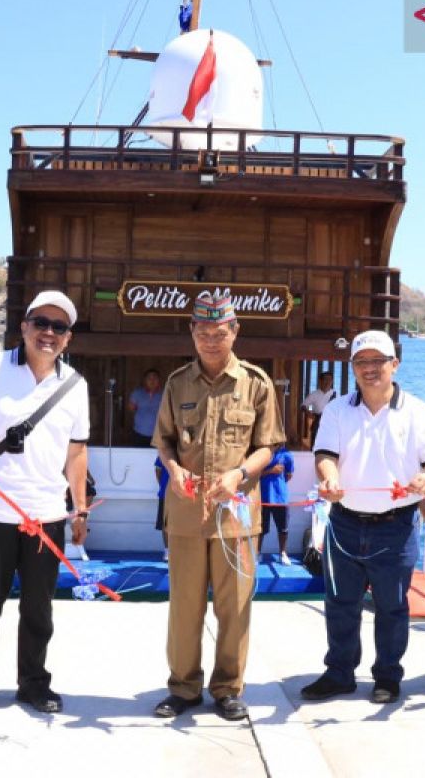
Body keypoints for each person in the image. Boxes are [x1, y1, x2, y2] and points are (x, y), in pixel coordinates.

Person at [0, 290, 90, 715]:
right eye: (41, 323)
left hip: (45, 512)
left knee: (39, 607)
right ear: (24, 326)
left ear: (68, 338)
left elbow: (77, 451)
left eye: (59, 327)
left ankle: (33, 683)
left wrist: (79, 507)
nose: (49, 332)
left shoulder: (75, 385)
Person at [151, 291, 284, 721]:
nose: (211, 339)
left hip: (238, 516)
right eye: (203, 332)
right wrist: (173, 470)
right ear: (192, 332)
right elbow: (164, 442)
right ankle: (183, 687)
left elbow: (269, 447)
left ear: (235, 332)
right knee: (184, 606)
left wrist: (241, 475)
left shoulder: (257, 384)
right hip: (187, 514)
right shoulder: (177, 384)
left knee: (235, 608)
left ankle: (228, 688)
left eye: (220, 332)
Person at [301, 330, 425, 704]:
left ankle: (387, 677)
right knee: (339, 604)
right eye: (361, 362)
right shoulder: (336, 410)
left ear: (394, 365)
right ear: (352, 368)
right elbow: (325, 455)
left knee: (393, 608)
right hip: (344, 522)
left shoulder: (419, 412)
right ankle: (339, 673)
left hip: (396, 527)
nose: (369, 369)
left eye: (377, 361)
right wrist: (329, 477)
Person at [258, 445, 295, 565]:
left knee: (283, 528)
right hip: (263, 496)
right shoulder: (262, 453)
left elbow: (289, 475)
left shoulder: (287, 454)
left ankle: (283, 553)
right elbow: (254, 474)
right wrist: (270, 471)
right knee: (260, 528)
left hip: (280, 496)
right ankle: (257, 553)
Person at [129, 368, 164, 447]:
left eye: (155, 378)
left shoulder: (165, 394)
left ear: (159, 380)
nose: (152, 381)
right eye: (149, 378)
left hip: (158, 435)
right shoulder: (137, 393)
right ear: (145, 380)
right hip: (139, 433)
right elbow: (131, 408)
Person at [301, 371, 336, 446]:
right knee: (315, 443)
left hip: (332, 421)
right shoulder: (314, 394)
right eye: (325, 379)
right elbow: (304, 406)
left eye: (330, 380)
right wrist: (309, 412)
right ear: (320, 381)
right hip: (318, 420)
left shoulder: (335, 394)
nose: (327, 382)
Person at [154, 455, 170, 560]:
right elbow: (158, 470)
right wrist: (163, 486)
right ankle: (167, 551)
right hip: (165, 495)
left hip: (182, 496)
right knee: (165, 524)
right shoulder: (164, 452)